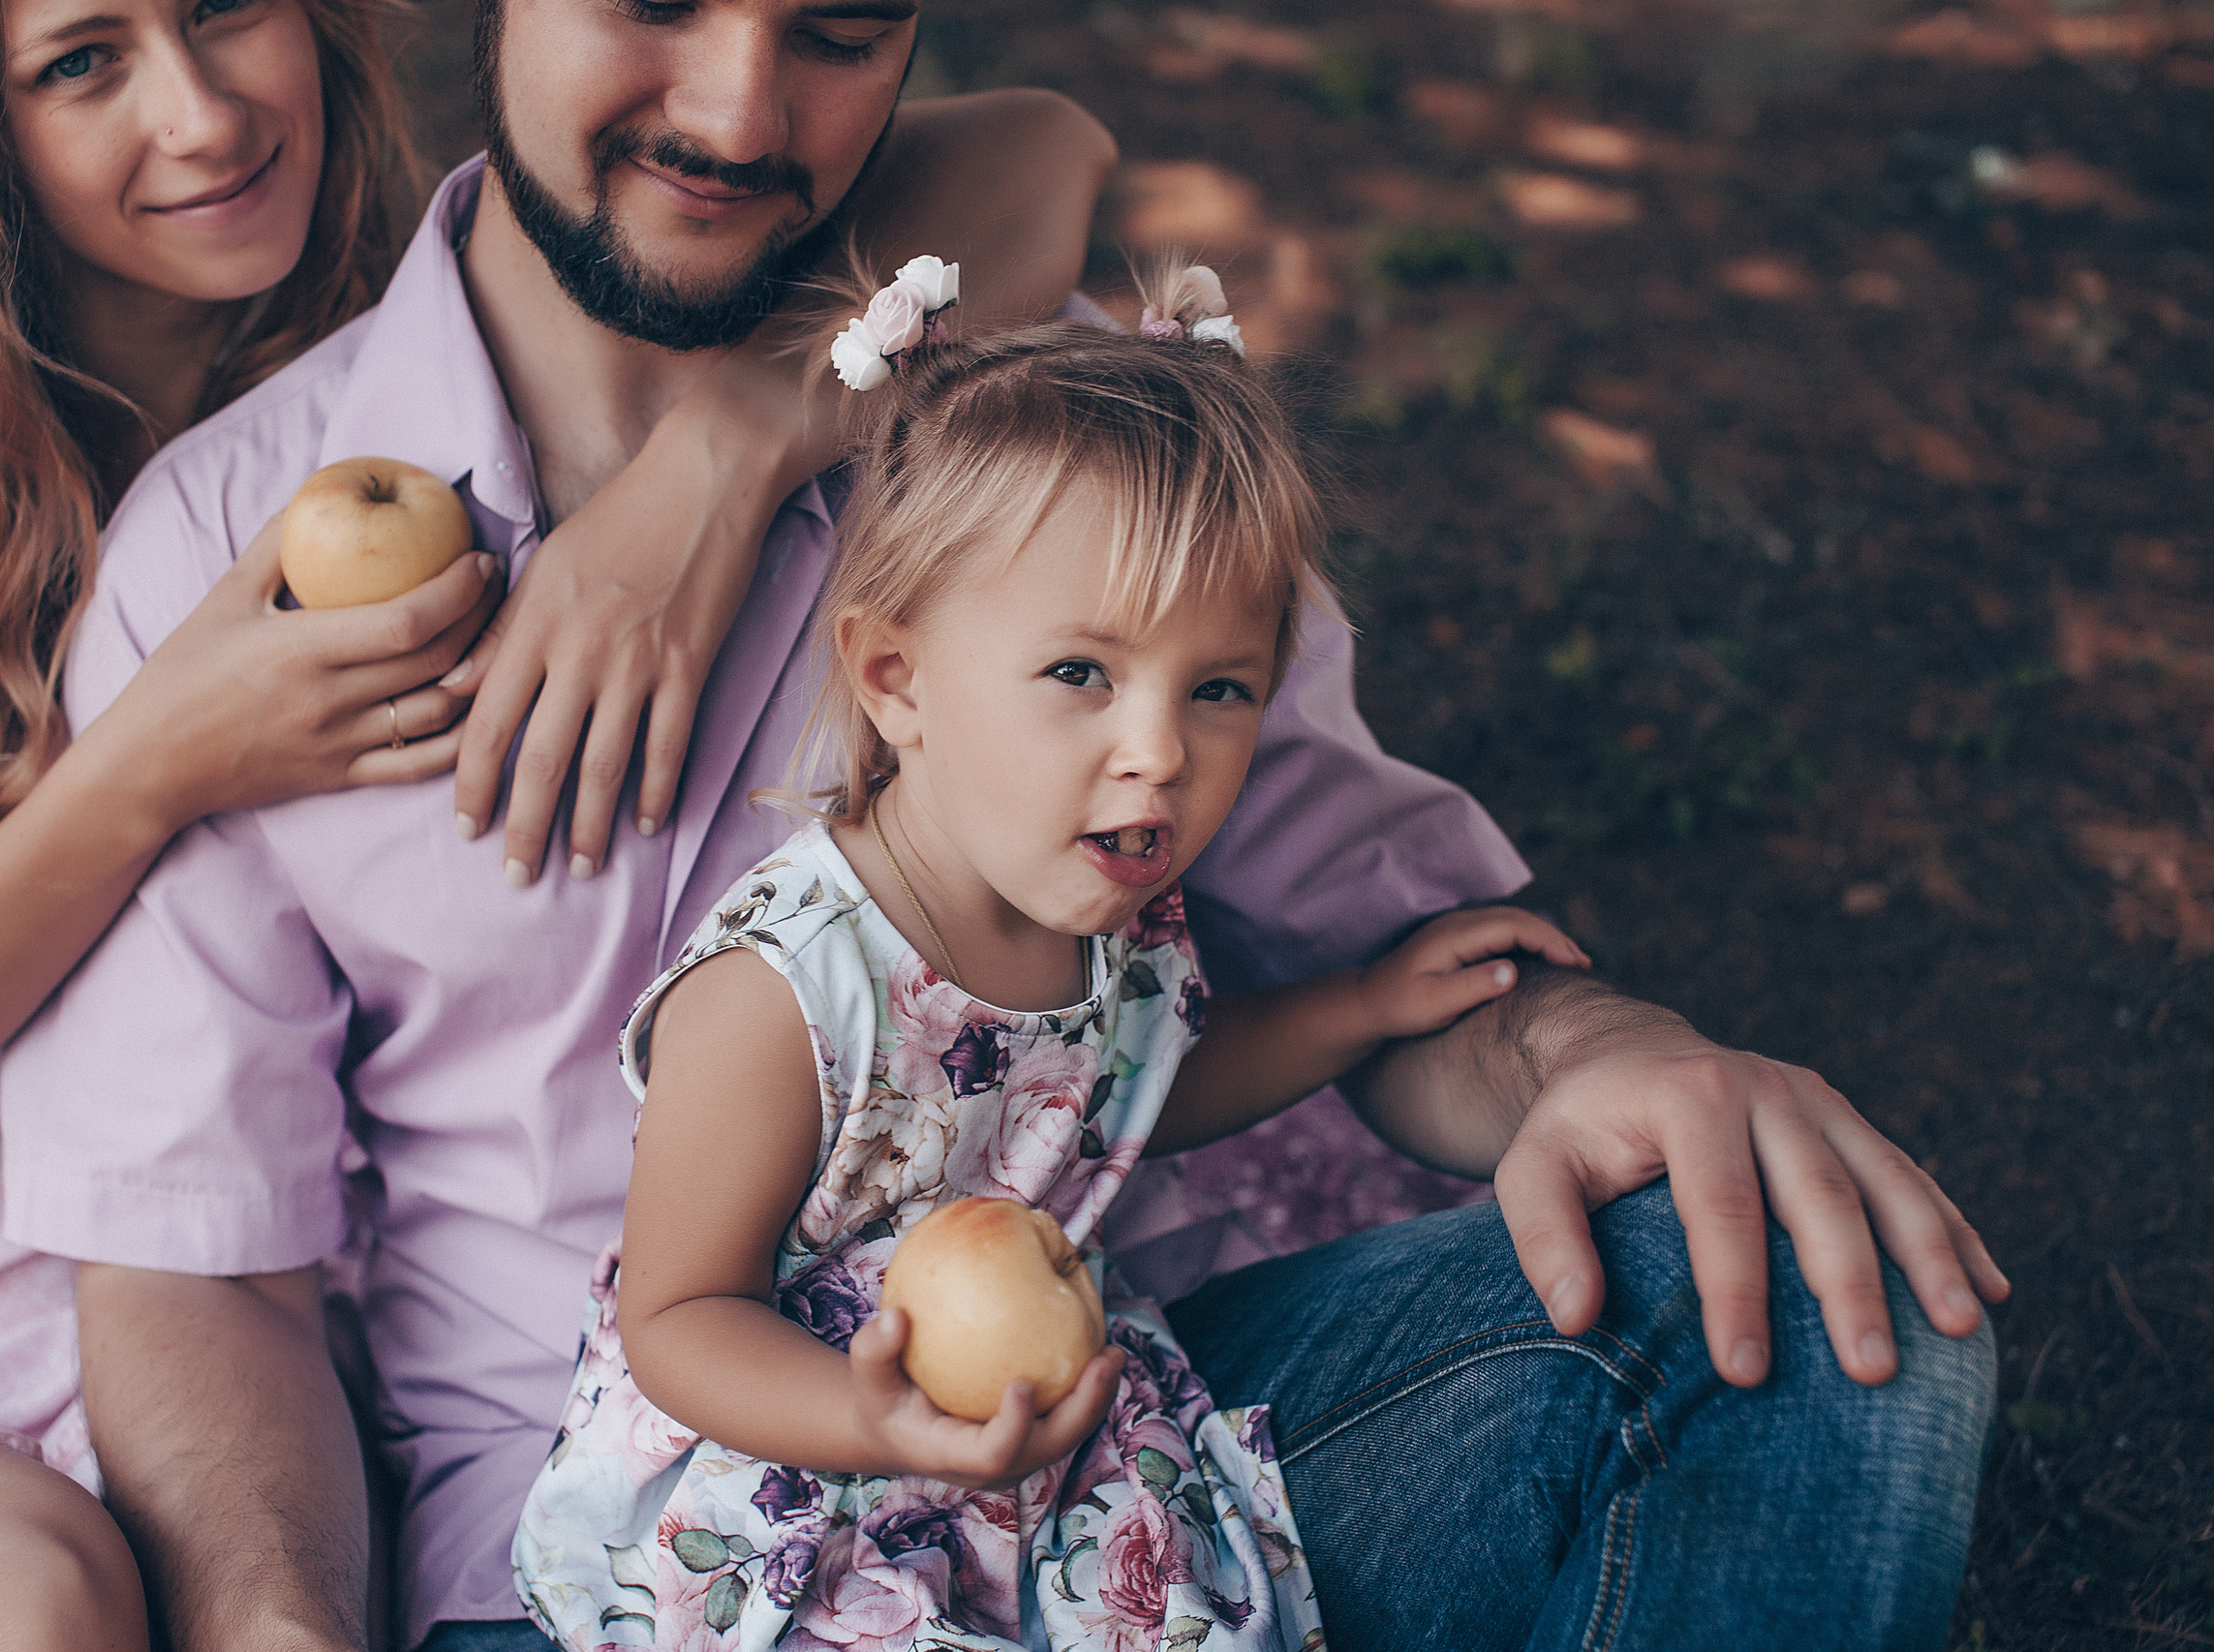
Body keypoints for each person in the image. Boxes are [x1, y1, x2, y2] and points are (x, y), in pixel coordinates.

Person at [0, 2, 2007, 1648]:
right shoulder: (227, 558)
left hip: (1127, 1445)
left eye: (837, 30)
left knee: (1819, 1314)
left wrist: (1602, 1051)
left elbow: (1386, 969)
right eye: (652, 5)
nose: (735, 110)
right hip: (628, 1558)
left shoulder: (1074, 455)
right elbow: (199, 1265)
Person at [0, 0, 1116, 1643]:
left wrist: (733, 447)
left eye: (225, 12)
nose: (200, 115)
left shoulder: (415, 345)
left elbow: (1046, 152)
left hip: (258, 1312)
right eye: (81, 62)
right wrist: (150, 762)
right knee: (24, 1603)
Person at [509, 265, 1594, 1650]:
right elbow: (678, 1313)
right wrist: (869, 1414)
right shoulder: (786, 989)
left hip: (1031, 1425)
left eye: (1219, 689)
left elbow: (1124, 1099)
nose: (1160, 751)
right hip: (784, 1465)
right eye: (1082, 673)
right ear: (897, 679)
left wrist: (1360, 1006)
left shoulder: (1115, 917)